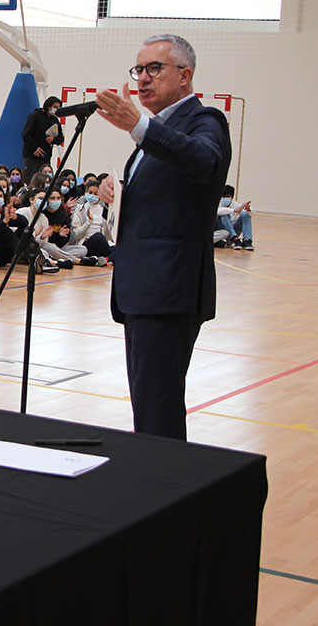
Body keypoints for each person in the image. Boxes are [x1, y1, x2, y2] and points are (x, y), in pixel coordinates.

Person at [93, 34, 232, 440]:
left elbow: (201, 159)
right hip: (141, 288)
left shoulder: (205, 121)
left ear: (185, 76)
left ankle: (163, 491)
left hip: (169, 289)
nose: (143, 79)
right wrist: (116, 190)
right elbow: (161, 196)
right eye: (138, 70)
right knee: (148, 404)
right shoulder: (156, 133)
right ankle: (152, 483)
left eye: (154, 68)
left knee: (159, 409)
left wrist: (138, 125)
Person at [21, 96, 64, 179]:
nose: (57, 109)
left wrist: (53, 140)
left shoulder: (54, 120)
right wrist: (34, 148)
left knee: (44, 179)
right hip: (32, 156)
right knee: (31, 178)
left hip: (46, 156)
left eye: (59, 108)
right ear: (48, 106)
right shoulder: (36, 116)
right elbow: (26, 134)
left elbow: (60, 138)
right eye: (55, 107)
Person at [215, 186, 254, 250]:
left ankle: (247, 240)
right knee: (224, 214)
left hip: (230, 233)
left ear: (232, 197)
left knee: (245, 214)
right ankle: (234, 238)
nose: (225, 199)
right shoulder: (217, 203)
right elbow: (218, 211)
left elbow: (250, 213)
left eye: (227, 196)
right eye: (223, 196)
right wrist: (234, 210)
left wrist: (248, 209)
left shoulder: (234, 204)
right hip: (219, 232)